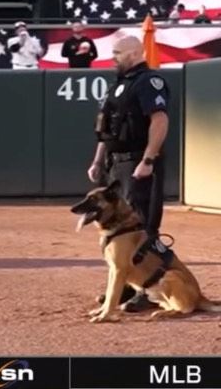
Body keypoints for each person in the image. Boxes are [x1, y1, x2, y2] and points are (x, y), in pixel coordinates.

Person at [86, 36, 171, 312]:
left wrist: (148, 160)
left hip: (139, 162)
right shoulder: (119, 84)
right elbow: (107, 129)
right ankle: (123, 287)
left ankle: (148, 290)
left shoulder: (148, 82)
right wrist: (98, 160)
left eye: (117, 53)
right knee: (121, 230)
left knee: (142, 228)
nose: (113, 57)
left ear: (135, 53)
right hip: (116, 164)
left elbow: (160, 121)